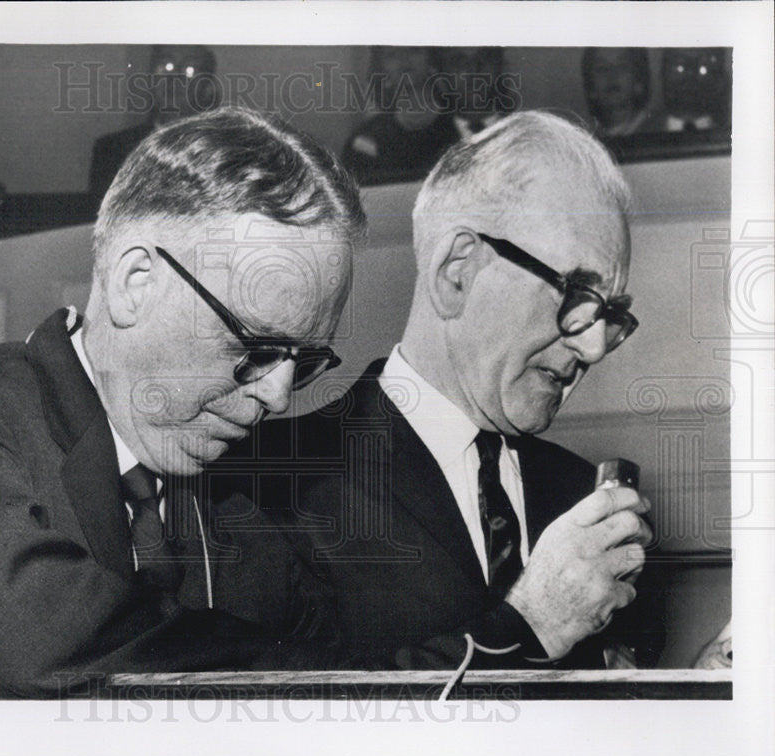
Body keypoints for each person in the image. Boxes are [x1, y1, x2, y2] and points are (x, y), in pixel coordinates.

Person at [210, 111, 663, 670]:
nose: (594, 347)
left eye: (611, 314)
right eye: (576, 296)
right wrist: (533, 624)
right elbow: (295, 731)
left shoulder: (582, 499)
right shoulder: (267, 487)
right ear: (457, 272)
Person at [0, 107, 367, 698]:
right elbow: (47, 640)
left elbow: (353, 677)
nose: (279, 396)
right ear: (136, 283)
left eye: (302, 360)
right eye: (254, 347)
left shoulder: (251, 499)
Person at [87, 44, 221, 206]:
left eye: (189, 70)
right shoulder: (111, 150)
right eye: (166, 67)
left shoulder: (221, 153)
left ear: (206, 88)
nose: (174, 79)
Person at [342, 46, 461, 184]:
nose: (403, 60)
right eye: (392, 55)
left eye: (413, 50)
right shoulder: (365, 140)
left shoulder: (459, 128)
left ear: (432, 59)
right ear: (382, 69)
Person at [582, 48, 654, 137]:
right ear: (591, 87)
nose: (612, 76)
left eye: (622, 66)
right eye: (602, 68)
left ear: (638, 81)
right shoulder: (586, 139)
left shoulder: (661, 129)